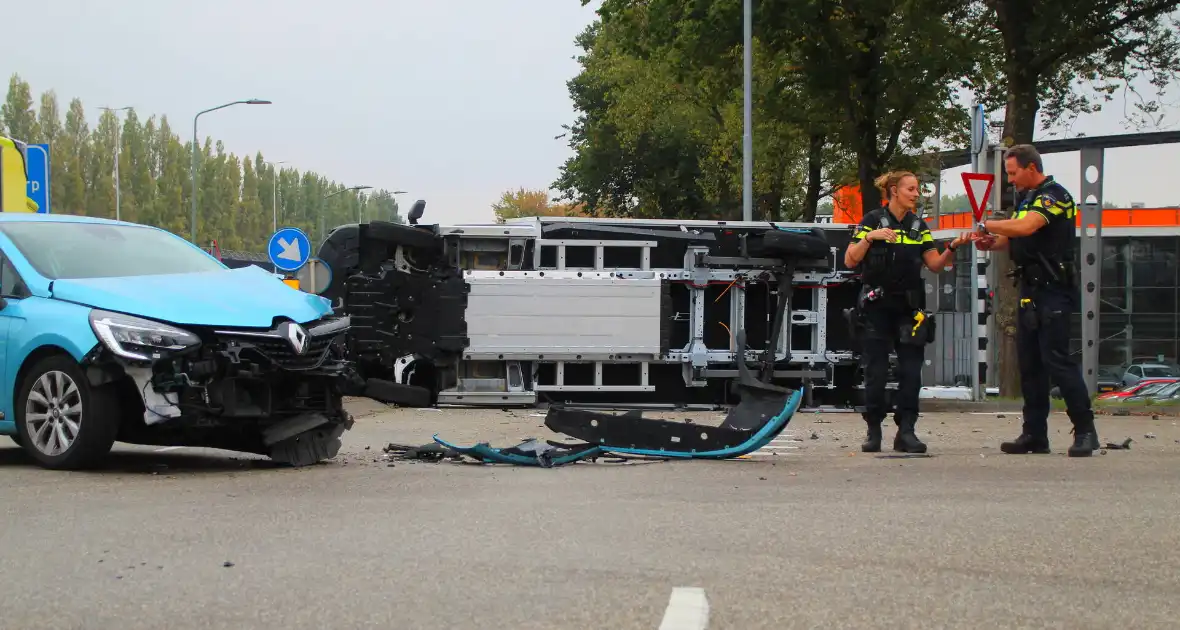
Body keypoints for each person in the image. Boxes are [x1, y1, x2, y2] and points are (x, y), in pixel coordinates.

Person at [973, 144, 1100, 457]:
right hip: (1029, 289)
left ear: (1032, 167)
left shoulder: (1054, 195)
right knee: (1029, 364)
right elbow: (1015, 236)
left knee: (1057, 360)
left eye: (1014, 173)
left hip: (1053, 290)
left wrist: (986, 223)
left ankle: (1085, 431)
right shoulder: (1025, 198)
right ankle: (1034, 434)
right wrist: (992, 242)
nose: (1011, 179)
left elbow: (1028, 225)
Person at [845, 171, 972, 453]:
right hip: (877, 307)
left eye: (918, 189)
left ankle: (906, 431)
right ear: (894, 191)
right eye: (911, 189)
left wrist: (951, 247)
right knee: (876, 372)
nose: (916, 194)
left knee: (911, 372)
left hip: (909, 309)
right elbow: (850, 259)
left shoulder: (918, 225)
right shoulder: (872, 221)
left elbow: (935, 264)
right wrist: (870, 238)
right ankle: (874, 430)